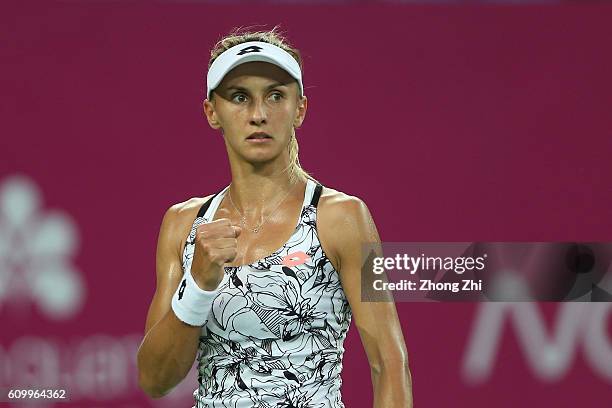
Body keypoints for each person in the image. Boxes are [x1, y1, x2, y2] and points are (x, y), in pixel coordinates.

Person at [136, 27, 413, 408]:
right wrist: (198, 284)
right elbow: (155, 380)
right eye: (239, 98)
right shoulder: (183, 225)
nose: (258, 115)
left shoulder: (343, 219)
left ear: (299, 109)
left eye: (275, 96)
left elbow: (389, 363)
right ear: (211, 112)